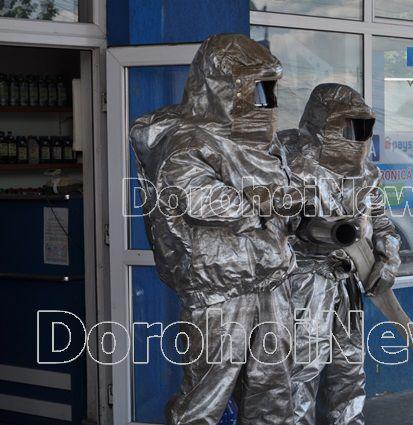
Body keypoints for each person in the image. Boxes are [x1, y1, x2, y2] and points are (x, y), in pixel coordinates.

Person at [130, 34, 298, 425]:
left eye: (268, 89)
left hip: (271, 280)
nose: (265, 101)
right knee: (206, 396)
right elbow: (197, 198)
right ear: (223, 88)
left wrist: (289, 203)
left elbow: (287, 197)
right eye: (255, 89)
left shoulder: (264, 144)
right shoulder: (185, 140)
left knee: (273, 390)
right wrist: (264, 204)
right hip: (218, 290)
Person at [280, 83, 401, 425]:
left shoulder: (366, 174)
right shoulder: (287, 165)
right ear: (324, 124)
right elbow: (268, 227)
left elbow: (382, 224)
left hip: (346, 285)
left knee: (348, 373)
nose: (357, 136)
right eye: (348, 126)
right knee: (298, 375)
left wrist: (387, 258)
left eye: (363, 127)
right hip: (301, 287)